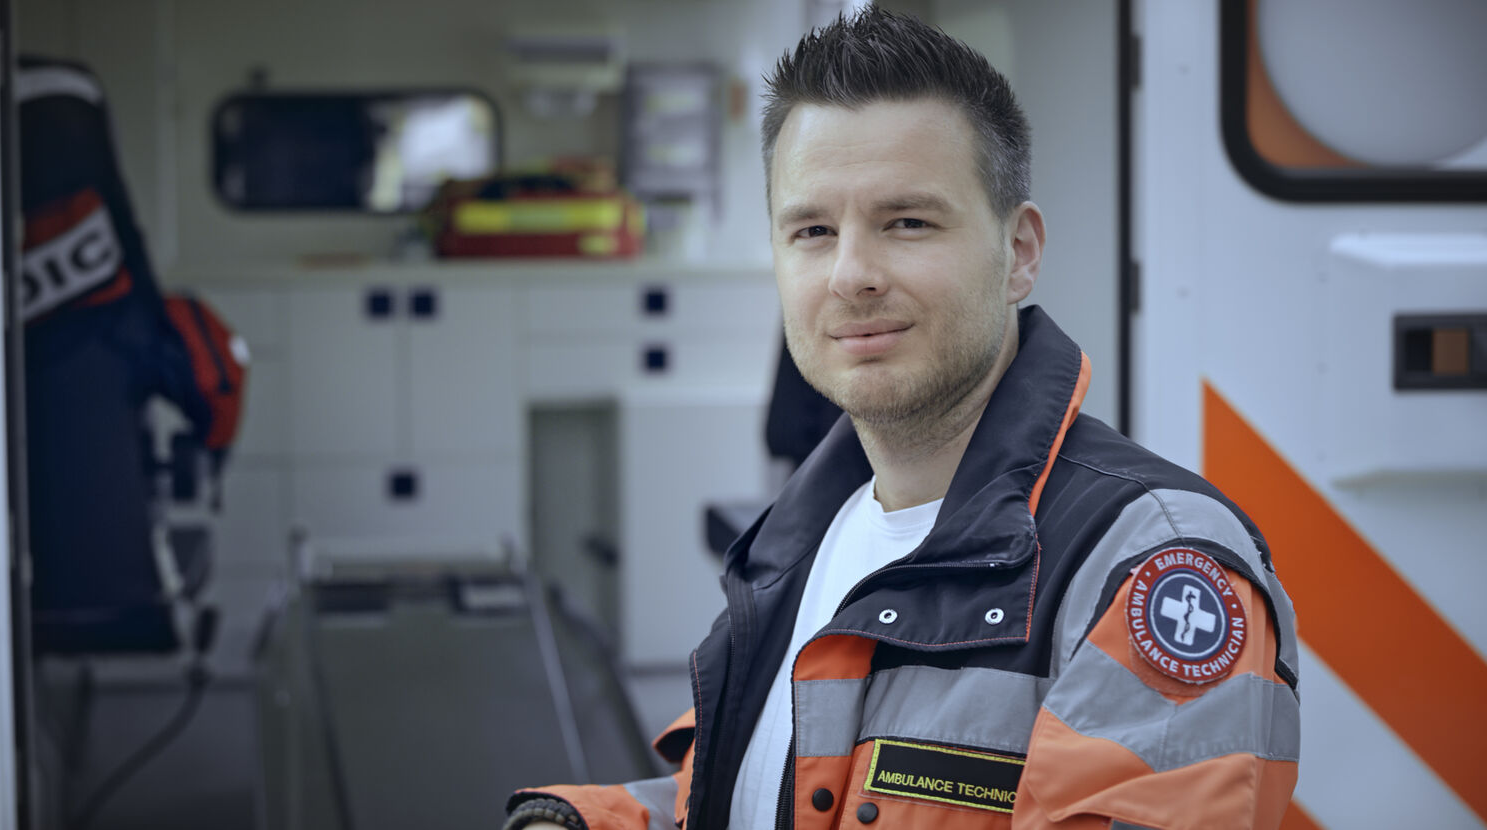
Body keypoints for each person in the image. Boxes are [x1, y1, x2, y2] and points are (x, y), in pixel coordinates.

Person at [504, 8, 1299, 829]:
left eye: (907, 222)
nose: (851, 274)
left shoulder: (1147, 567)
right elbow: (753, 788)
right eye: (812, 230)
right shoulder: (803, 540)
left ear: (1019, 252)